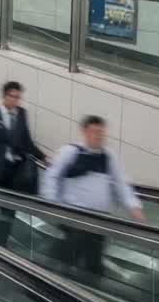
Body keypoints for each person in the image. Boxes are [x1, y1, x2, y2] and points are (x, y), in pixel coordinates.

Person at [42, 116, 144, 274]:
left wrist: (134, 207)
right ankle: (56, 282)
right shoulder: (71, 152)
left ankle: (88, 285)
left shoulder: (108, 156)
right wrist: (53, 205)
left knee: (93, 259)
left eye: (101, 132)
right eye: (94, 131)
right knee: (69, 255)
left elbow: (121, 182)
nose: (98, 136)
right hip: (74, 216)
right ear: (84, 132)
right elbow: (52, 177)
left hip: (99, 219)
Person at [0, 81, 46, 246]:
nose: (16, 101)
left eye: (18, 98)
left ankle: (2, 244)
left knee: (8, 211)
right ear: (5, 96)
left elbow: (26, 142)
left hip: (14, 173)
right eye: (13, 97)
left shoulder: (21, 114)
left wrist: (43, 157)